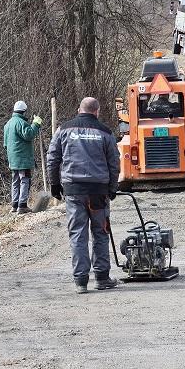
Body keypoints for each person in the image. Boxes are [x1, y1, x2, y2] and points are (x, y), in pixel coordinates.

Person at [47, 97, 121, 294]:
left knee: (78, 234)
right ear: (97, 111)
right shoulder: (105, 132)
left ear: (79, 109)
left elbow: (52, 158)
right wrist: (112, 188)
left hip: (73, 190)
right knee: (100, 233)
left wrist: (55, 184)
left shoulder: (63, 129)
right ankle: (102, 278)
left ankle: (81, 282)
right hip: (98, 191)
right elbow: (114, 162)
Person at [3, 100, 42, 214]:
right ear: (24, 111)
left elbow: (5, 144)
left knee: (15, 181)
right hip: (22, 159)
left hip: (12, 159)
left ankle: (14, 205)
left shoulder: (7, 124)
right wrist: (36, 124)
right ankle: (22, 205)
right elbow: (29, 134)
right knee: (25, 180)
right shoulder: (20, 123)